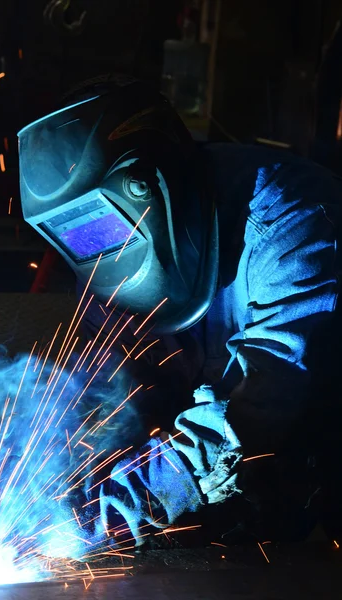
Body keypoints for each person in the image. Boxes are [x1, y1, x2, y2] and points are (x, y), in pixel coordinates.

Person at [18, 78, 342, 549]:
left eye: (109, 225)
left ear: (147, 187)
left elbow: (259, 406)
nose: (104, 247)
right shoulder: (99, 252)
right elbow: (99, 387)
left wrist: (114, 512)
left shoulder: (294, 225)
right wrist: (48, 483)